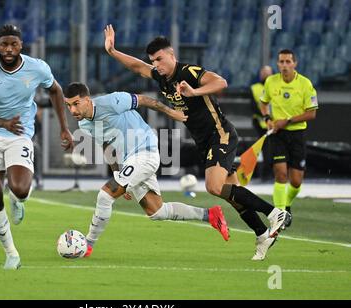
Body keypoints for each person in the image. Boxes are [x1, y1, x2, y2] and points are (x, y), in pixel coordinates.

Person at [103, 24, 288, 260]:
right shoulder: (161, 77)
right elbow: (138, 67)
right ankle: (262, 233)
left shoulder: (188, 72)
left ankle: (274, 213)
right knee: (230, 192)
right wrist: (112, 51)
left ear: (172, 55)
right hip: (204, 141)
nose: (156, 64)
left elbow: (221, 82)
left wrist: (194, 92)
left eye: (160, 59)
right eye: (153, 60)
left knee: (214, 187)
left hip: (219, 134)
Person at [63, 82, 230, 258]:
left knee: (105, 196)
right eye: (68, 105)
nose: (72, 110)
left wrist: (171, 112)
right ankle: (210, 215)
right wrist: (117, 174)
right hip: (130, 160)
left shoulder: (111, 102)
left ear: (87, 100)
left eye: (76, 104)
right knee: (157, 211)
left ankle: (88, 244)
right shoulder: (85, 125)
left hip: (145, 152)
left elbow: (143, 100)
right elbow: (107, 146)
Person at [0, 24, 74, 270]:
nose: (8, 49)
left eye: (13, 44)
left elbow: (56, 91)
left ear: (21, 46)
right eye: (4, 44)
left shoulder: (37, 67)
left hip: (19, 134)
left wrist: (64, 127)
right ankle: (11, 254)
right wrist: (2, 123)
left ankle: (18, 200)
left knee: (20, 189)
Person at [260, 49, 318, 228]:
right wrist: (268, 119)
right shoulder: (271, 82)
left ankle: (287, 204)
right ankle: (279, 215)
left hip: (297, 135)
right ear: (277, 64)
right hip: (277, 135)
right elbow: (263, 103)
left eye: (288, 62)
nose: (284, 65)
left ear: (295, 64)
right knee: (280, 174)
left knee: (296, 181)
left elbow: (312, 113)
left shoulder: (305, 84)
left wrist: (288, 120)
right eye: (281, 62)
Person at [250, 65, 273, 180]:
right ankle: (265, 175)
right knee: (266, 149)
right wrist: (267, 117)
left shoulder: (277, 87)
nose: (265, 75)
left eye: (267, 72)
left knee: (274, 149)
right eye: (263, 72)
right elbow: (253, 107)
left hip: (277, 123)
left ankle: (273, 174)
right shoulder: (254, 88)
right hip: (261, 123)